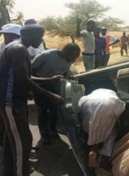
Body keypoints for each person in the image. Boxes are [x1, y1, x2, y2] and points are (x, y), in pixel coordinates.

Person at [0, 23, 64, 176]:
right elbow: (24, 80)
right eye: (39, 36)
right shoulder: (18, 49)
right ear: (29, 35)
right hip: (11, 103)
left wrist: (48, 79)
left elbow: (25, 76)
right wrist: (50, 95)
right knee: (23, 142)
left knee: (11, 141)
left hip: (13, 101)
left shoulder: (16, 48)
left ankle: (8, 170)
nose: (41, 41)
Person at [32, 43, 81, 144]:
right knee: (42, 110)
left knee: (55, 109)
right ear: (66, 52)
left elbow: (65, 73)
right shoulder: (45, 56)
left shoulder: (69, 60)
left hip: (56, 86)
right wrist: (39, 83)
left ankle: (52, 130)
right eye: (74, 56)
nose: (74, 60)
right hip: (41, 86)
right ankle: (44, 134)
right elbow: (31, 71)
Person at [78, 89, 126, 170]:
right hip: (108, 105)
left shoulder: (89, 96)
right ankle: (104, 158)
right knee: (112, 133)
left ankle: (93, 150)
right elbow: (119, 112)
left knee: (92, 133)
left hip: (88, 103)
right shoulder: (113, 96)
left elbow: (80, 108)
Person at [0, 23, 22, 148]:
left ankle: (7, 144)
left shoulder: (14, 47)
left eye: (6, 35)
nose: (4, 37)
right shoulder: (5, 47)